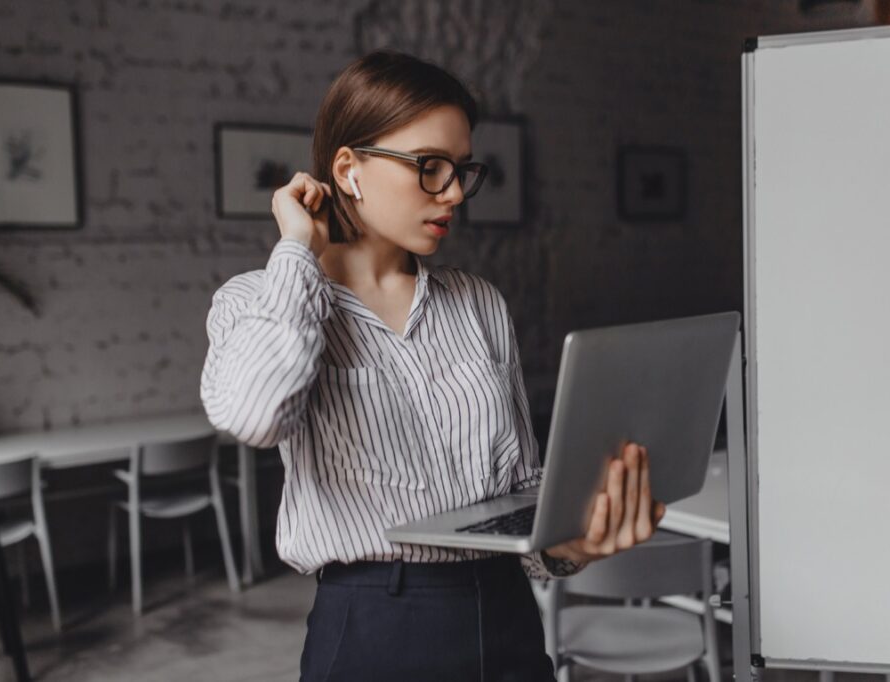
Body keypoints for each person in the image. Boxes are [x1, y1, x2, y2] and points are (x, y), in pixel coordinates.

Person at [201, 50, 666, 682]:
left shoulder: (477, 302)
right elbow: (255, 416)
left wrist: (571, 544)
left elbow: (520, 490)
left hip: (507, 615)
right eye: (429, 167)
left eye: (461, 170)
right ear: (349, 169)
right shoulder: (257, 301)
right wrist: (296, 248)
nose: (452, 193)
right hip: (373, 628)